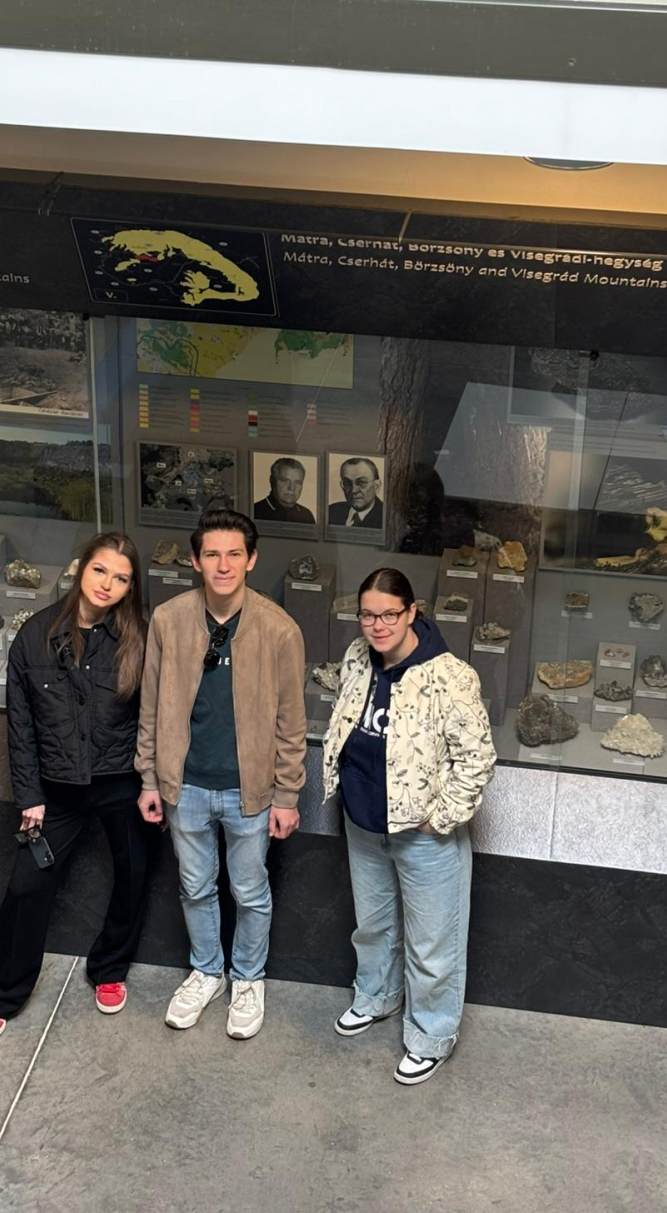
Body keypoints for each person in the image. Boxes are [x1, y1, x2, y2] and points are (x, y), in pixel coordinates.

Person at [0, 531, 153, 1043]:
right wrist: (29, 796)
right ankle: (2, 996)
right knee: (26, 887)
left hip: (123, 781)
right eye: (100, 570)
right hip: (57, 789)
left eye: (121, 578)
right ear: (81, 568)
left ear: (131, 587)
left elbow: (155, 717)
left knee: (136, 874)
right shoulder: (35, 635)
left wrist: (152, 782)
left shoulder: (140, 638)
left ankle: (110, 968)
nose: (108, 584)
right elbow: (21, 726)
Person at [136, 508, 306, 1041]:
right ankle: (207, 971)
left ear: (252, 560)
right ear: (195, 561)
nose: (223, 565)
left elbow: (291, 721)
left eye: (235, 554)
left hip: (250, 790)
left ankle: (248, 979)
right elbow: (150, 705)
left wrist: (288, 794)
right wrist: (149, 778)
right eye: (212, 554)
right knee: (194, 887)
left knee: (250, 891)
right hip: (184, 785)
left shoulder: (279, 629)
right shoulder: (168, 620)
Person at [323, 567, 496, 1086]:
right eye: (367, 615)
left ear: (412, 612)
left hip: (424, 837)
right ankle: (377, 997)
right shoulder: (358, 656)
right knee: (373, 927)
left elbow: (477, 758)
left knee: (432, 946)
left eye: (389, 615)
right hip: (364, 825)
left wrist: (439, 818)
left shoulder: (451, 676)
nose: (377, 626)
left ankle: (430, 1036)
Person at [253, 456, 316, 524]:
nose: (291, 488)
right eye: (285, 480)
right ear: (272, 481)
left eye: (298, 482)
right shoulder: (255, 512)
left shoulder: (306, 516)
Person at [328, 456, 384, 528]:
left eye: (361, 482)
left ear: (376, 486)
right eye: (347, 483)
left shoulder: (387, 517)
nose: (353, 490)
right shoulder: (331, 511)